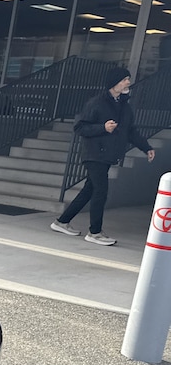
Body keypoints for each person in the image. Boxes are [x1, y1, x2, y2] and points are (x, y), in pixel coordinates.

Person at [50, 66, 156, 246]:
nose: (128, 82)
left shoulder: (125, 107)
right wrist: (102, 128)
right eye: (124, 79)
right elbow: (80, 127)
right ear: (114, 82)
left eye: (128, 79)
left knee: (89, 190)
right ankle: (95, 232)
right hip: (94, 154)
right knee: (101, 191)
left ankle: (61, 222)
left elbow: (131, 131)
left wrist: (146, 148)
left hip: (107, 155)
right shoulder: (96, 103)